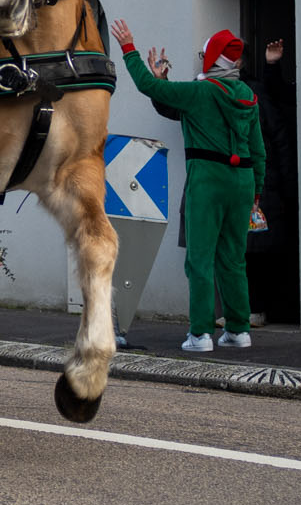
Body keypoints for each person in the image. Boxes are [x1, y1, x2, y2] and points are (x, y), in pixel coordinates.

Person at [112, 20, 265, 352]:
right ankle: (238, 330)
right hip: (242, 182)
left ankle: (200, 335)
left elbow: (148, 87)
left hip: (207, 179)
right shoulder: (247, 96)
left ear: (212, 60)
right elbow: (258, 150)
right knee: (233, 258)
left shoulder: (199, 92)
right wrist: (256, 193)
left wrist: (129, 49)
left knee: (199, 258)